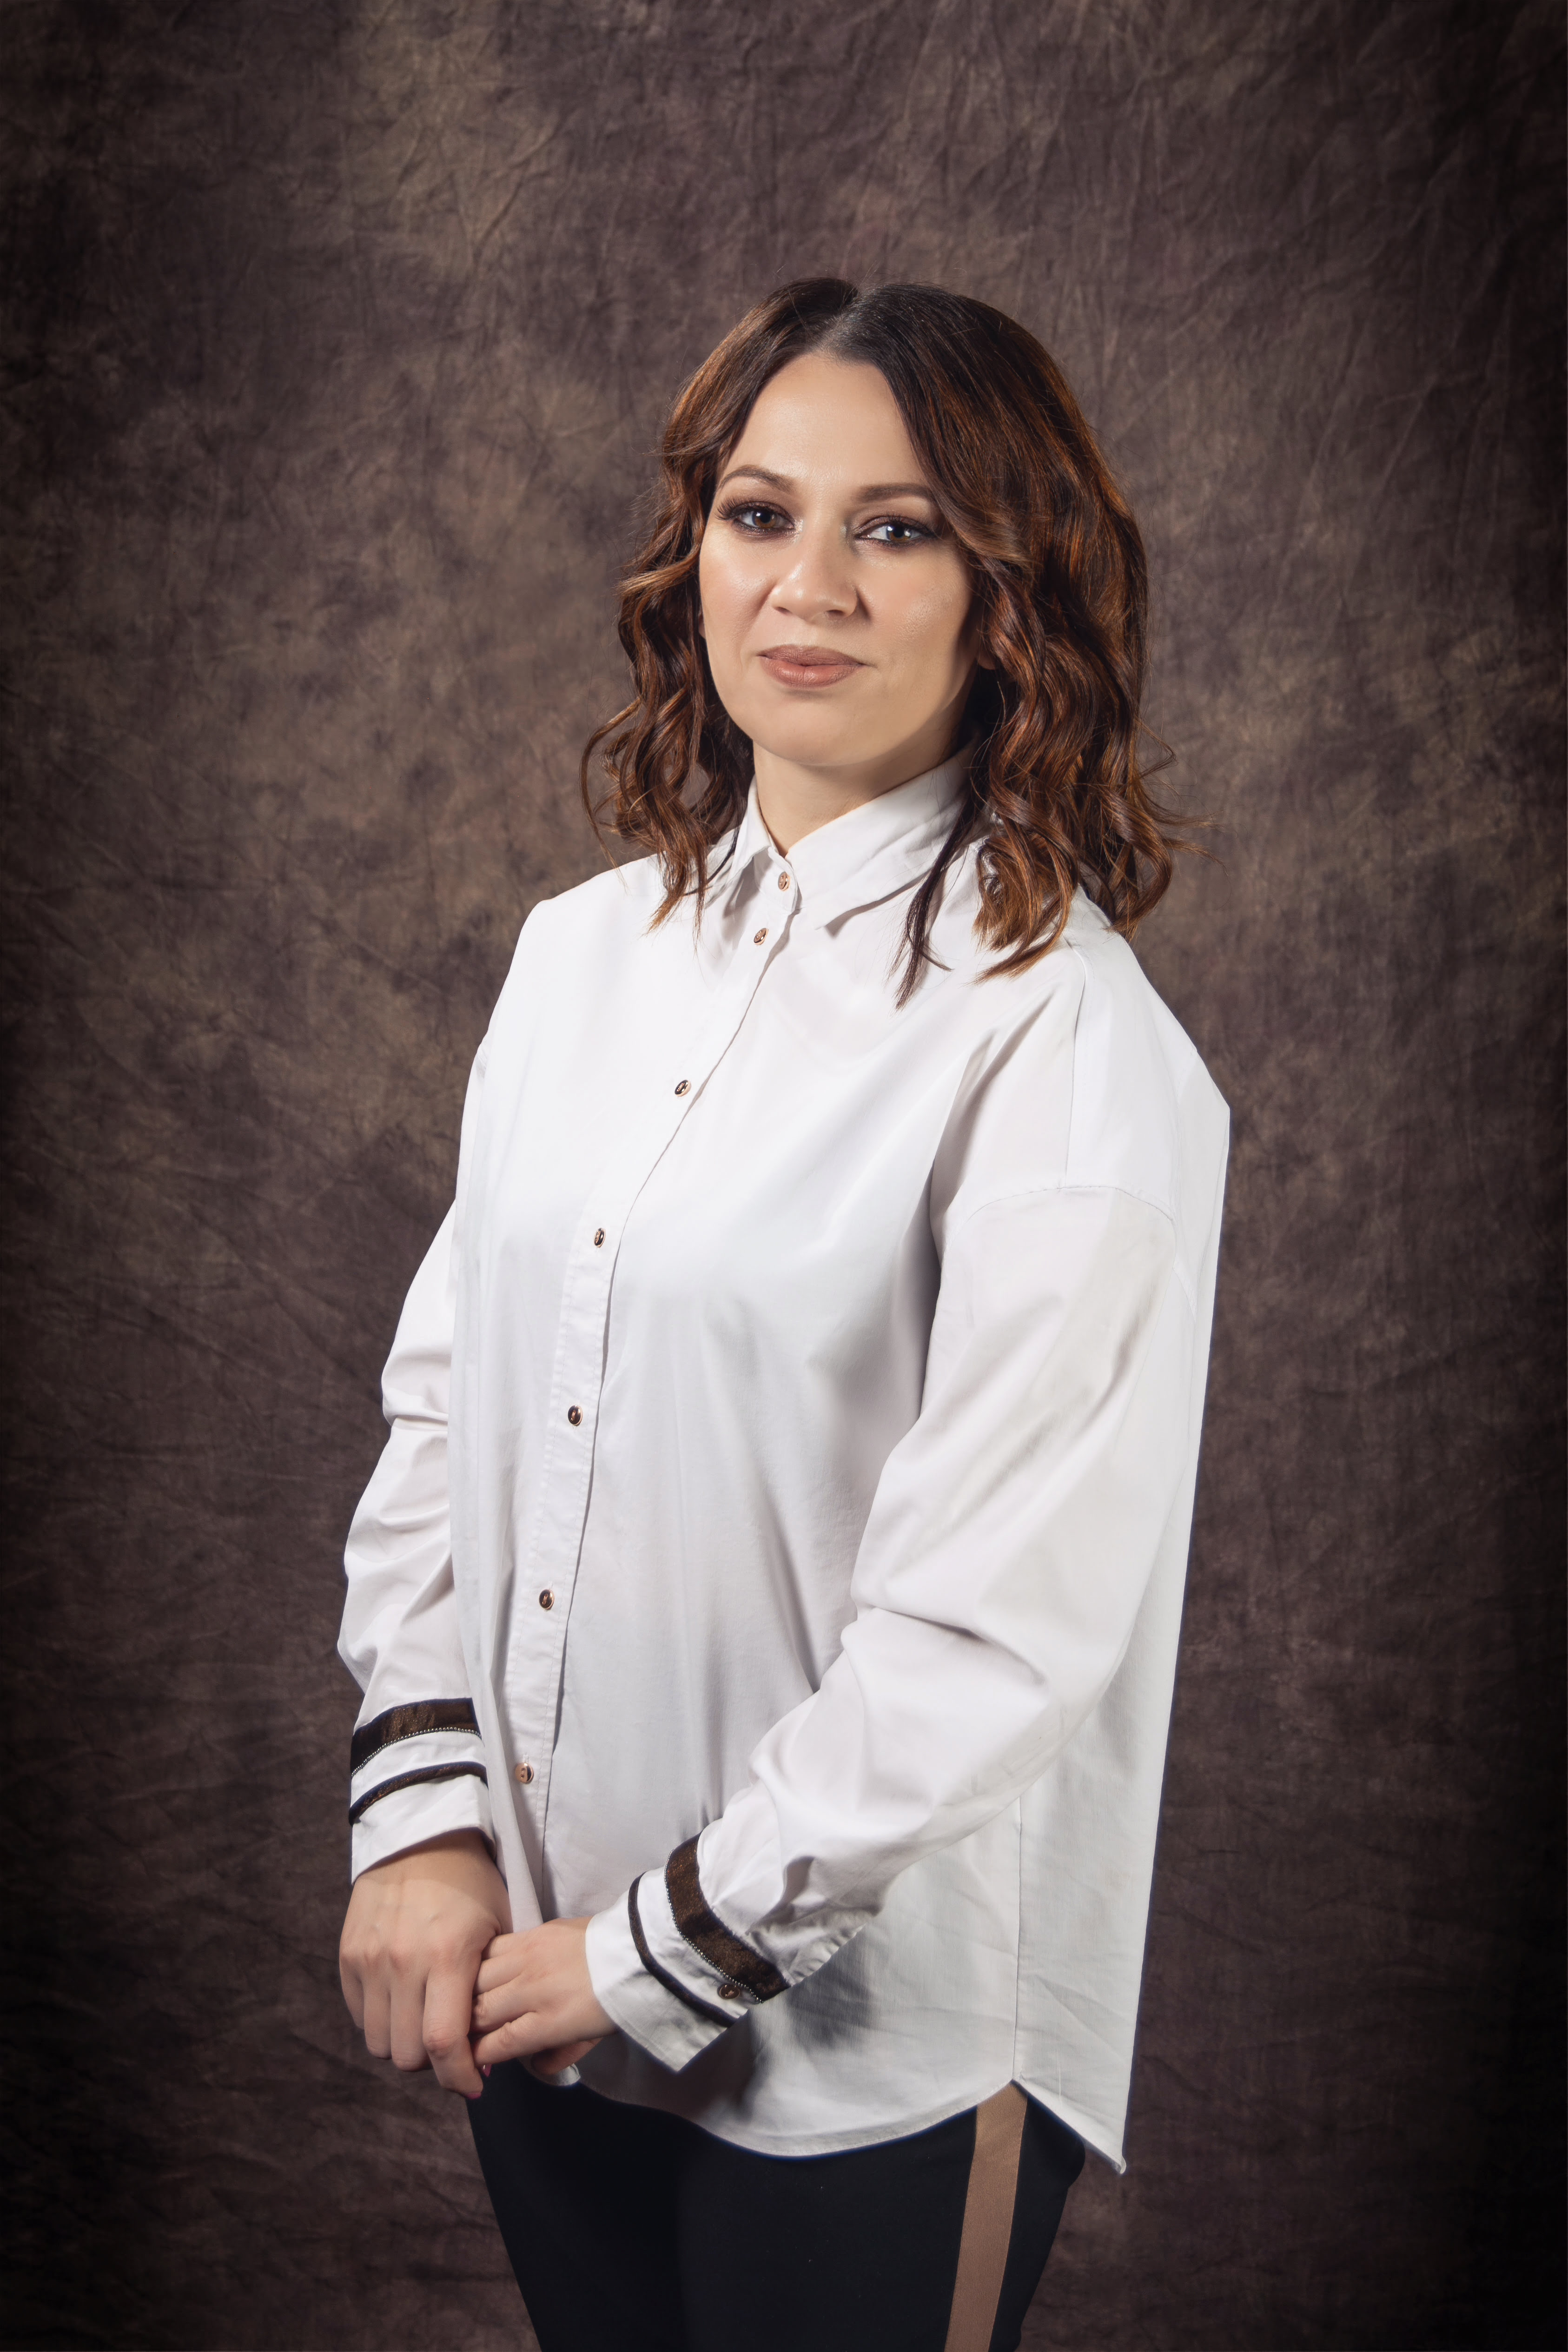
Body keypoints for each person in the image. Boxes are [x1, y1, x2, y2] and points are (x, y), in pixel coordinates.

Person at [335, 278, 1229, 2352]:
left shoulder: (1065, 1045)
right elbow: (449, 1414)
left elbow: (990, 1637)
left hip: (866, 2053)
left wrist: (654, 1950)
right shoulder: (578, 957)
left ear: (1008, 595)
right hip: (529, 1987)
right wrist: (428, 1827)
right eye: (760, 513)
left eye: (895, 528)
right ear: (695, 550)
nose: (806, 585)